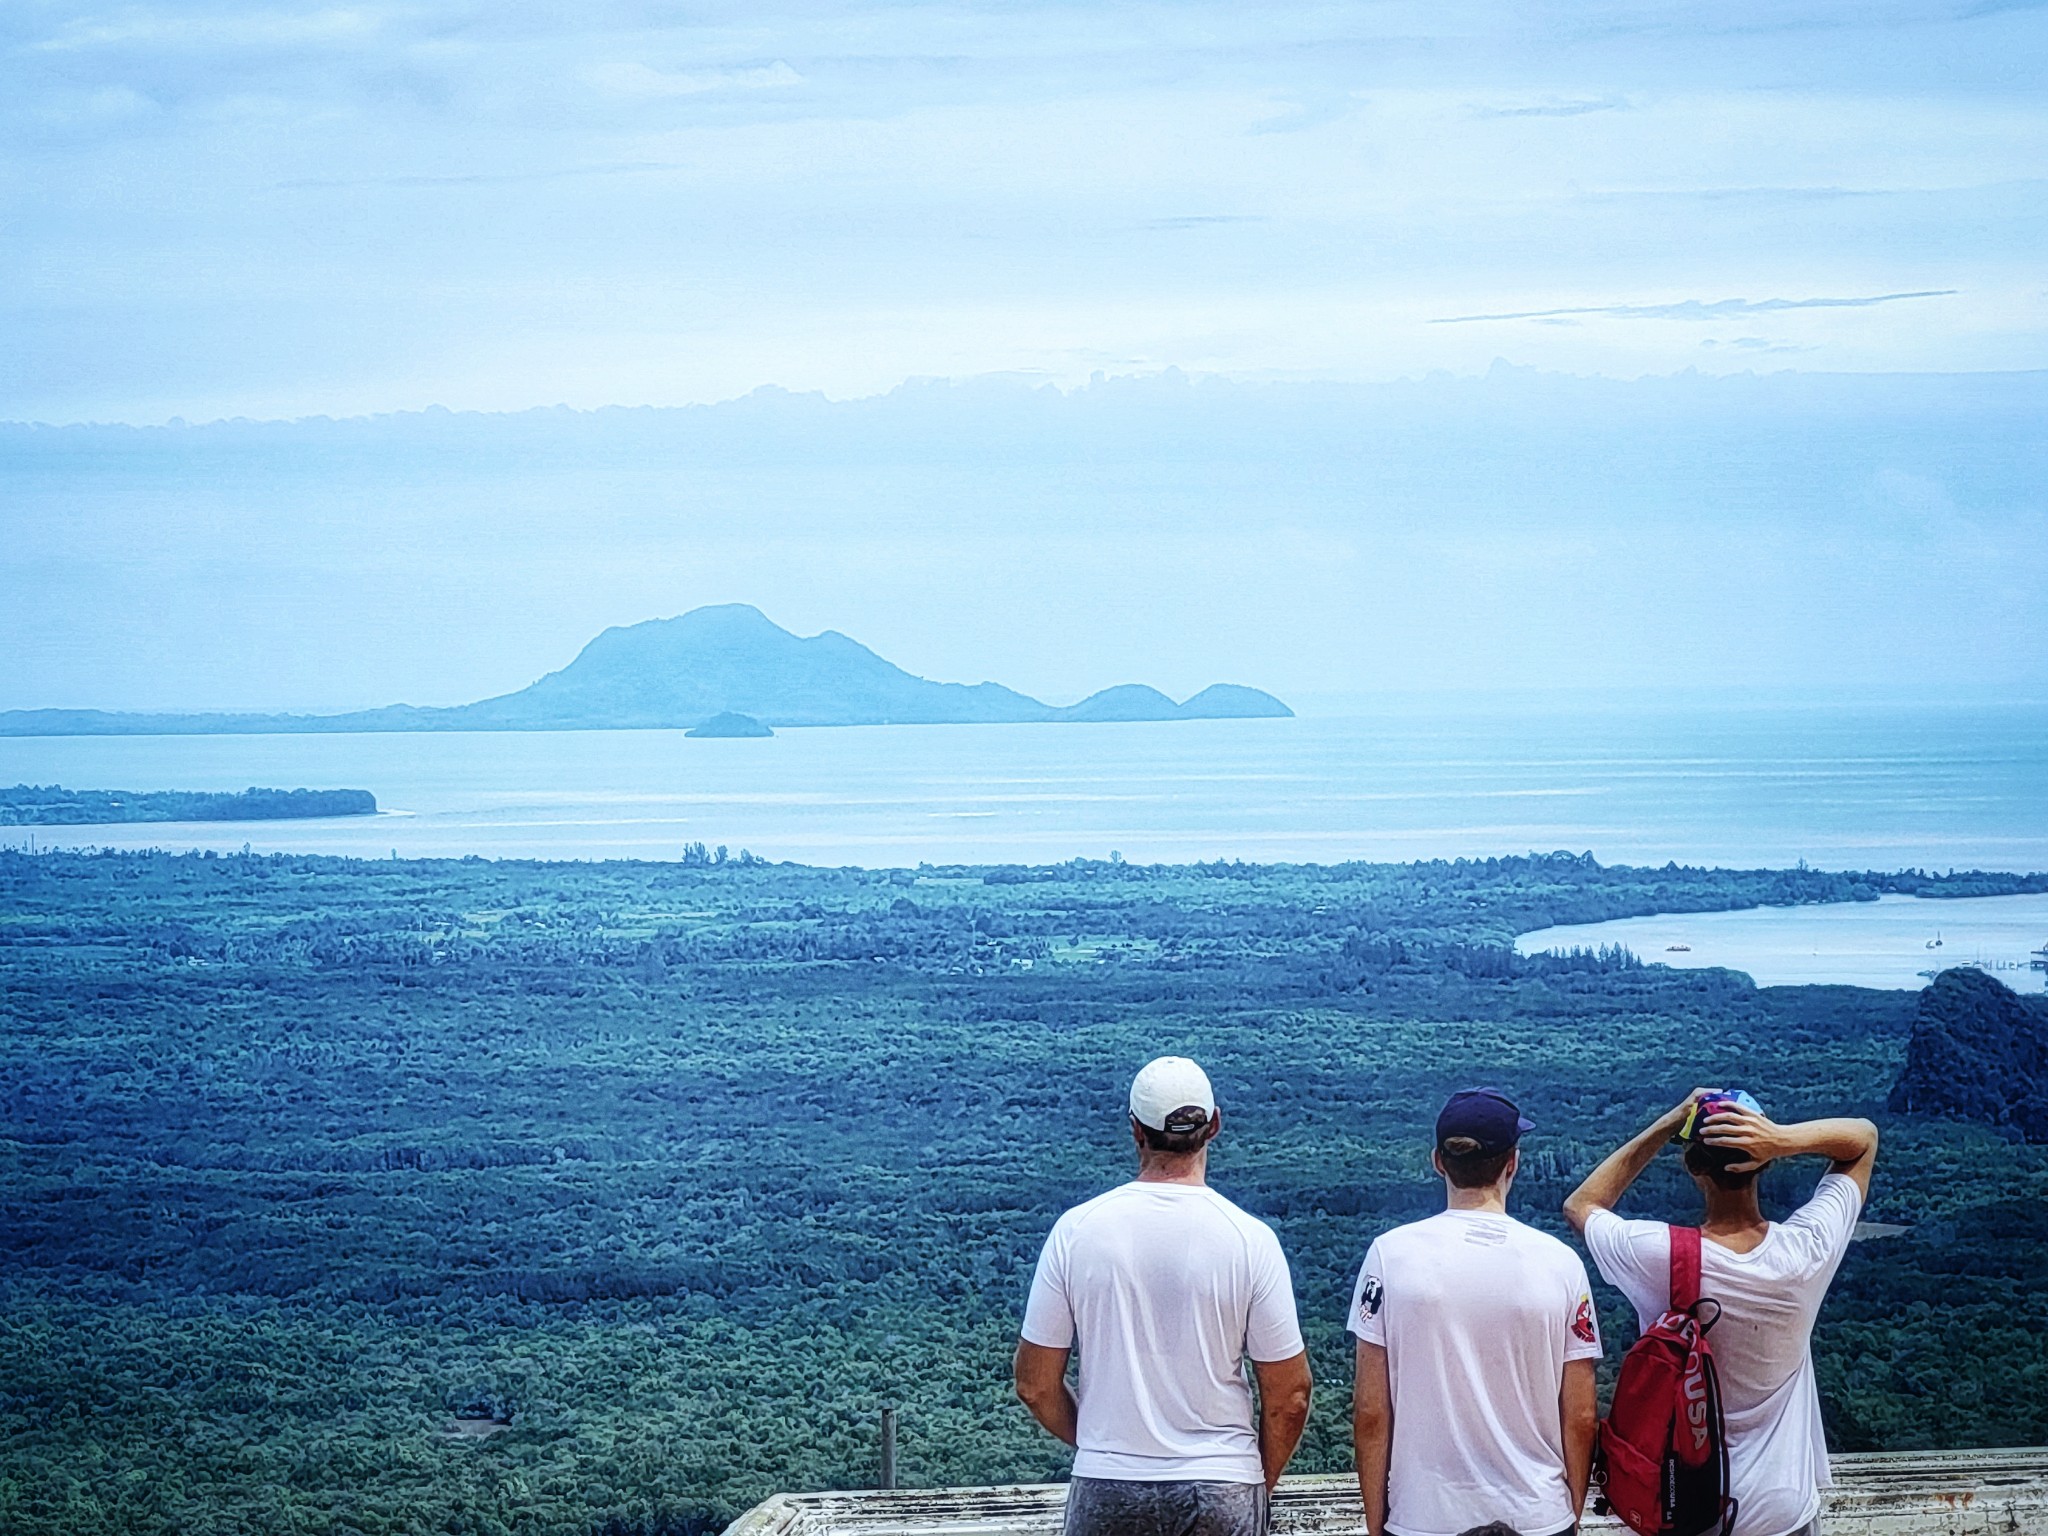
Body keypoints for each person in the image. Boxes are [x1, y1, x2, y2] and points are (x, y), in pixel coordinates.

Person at [1015, 1055, 1314, 1536]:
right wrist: (1254, 1478)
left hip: (1108, 1484)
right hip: (1223, 1484)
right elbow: (1291, 1395)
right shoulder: (1249, 1239)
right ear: (1215, 1124)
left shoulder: (1076, 1232)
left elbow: (1034, 1384)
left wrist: (1101, 1444)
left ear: (1135, 1129)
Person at [1563, 1090, 1878, 1536]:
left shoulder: (1658, 1255)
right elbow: (1863, 1138)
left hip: (1687, 1503)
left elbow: (1582, 1205)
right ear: (1763, 1163)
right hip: (1781, 1508)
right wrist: (1779, 1139)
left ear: (1693, 1167)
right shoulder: (1807, 1252)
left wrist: (1669, 1121)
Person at [1351, 1090, 1602, 1536]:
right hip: (1537, 1514)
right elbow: (1580, 1416)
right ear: (1513, 1164)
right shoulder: (1561, 1263)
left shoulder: (1389, 1257)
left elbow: (1371, 1412)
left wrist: (1377, 1526)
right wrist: (1570, 1512)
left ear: (1438, 1162)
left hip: (1423, 1516)